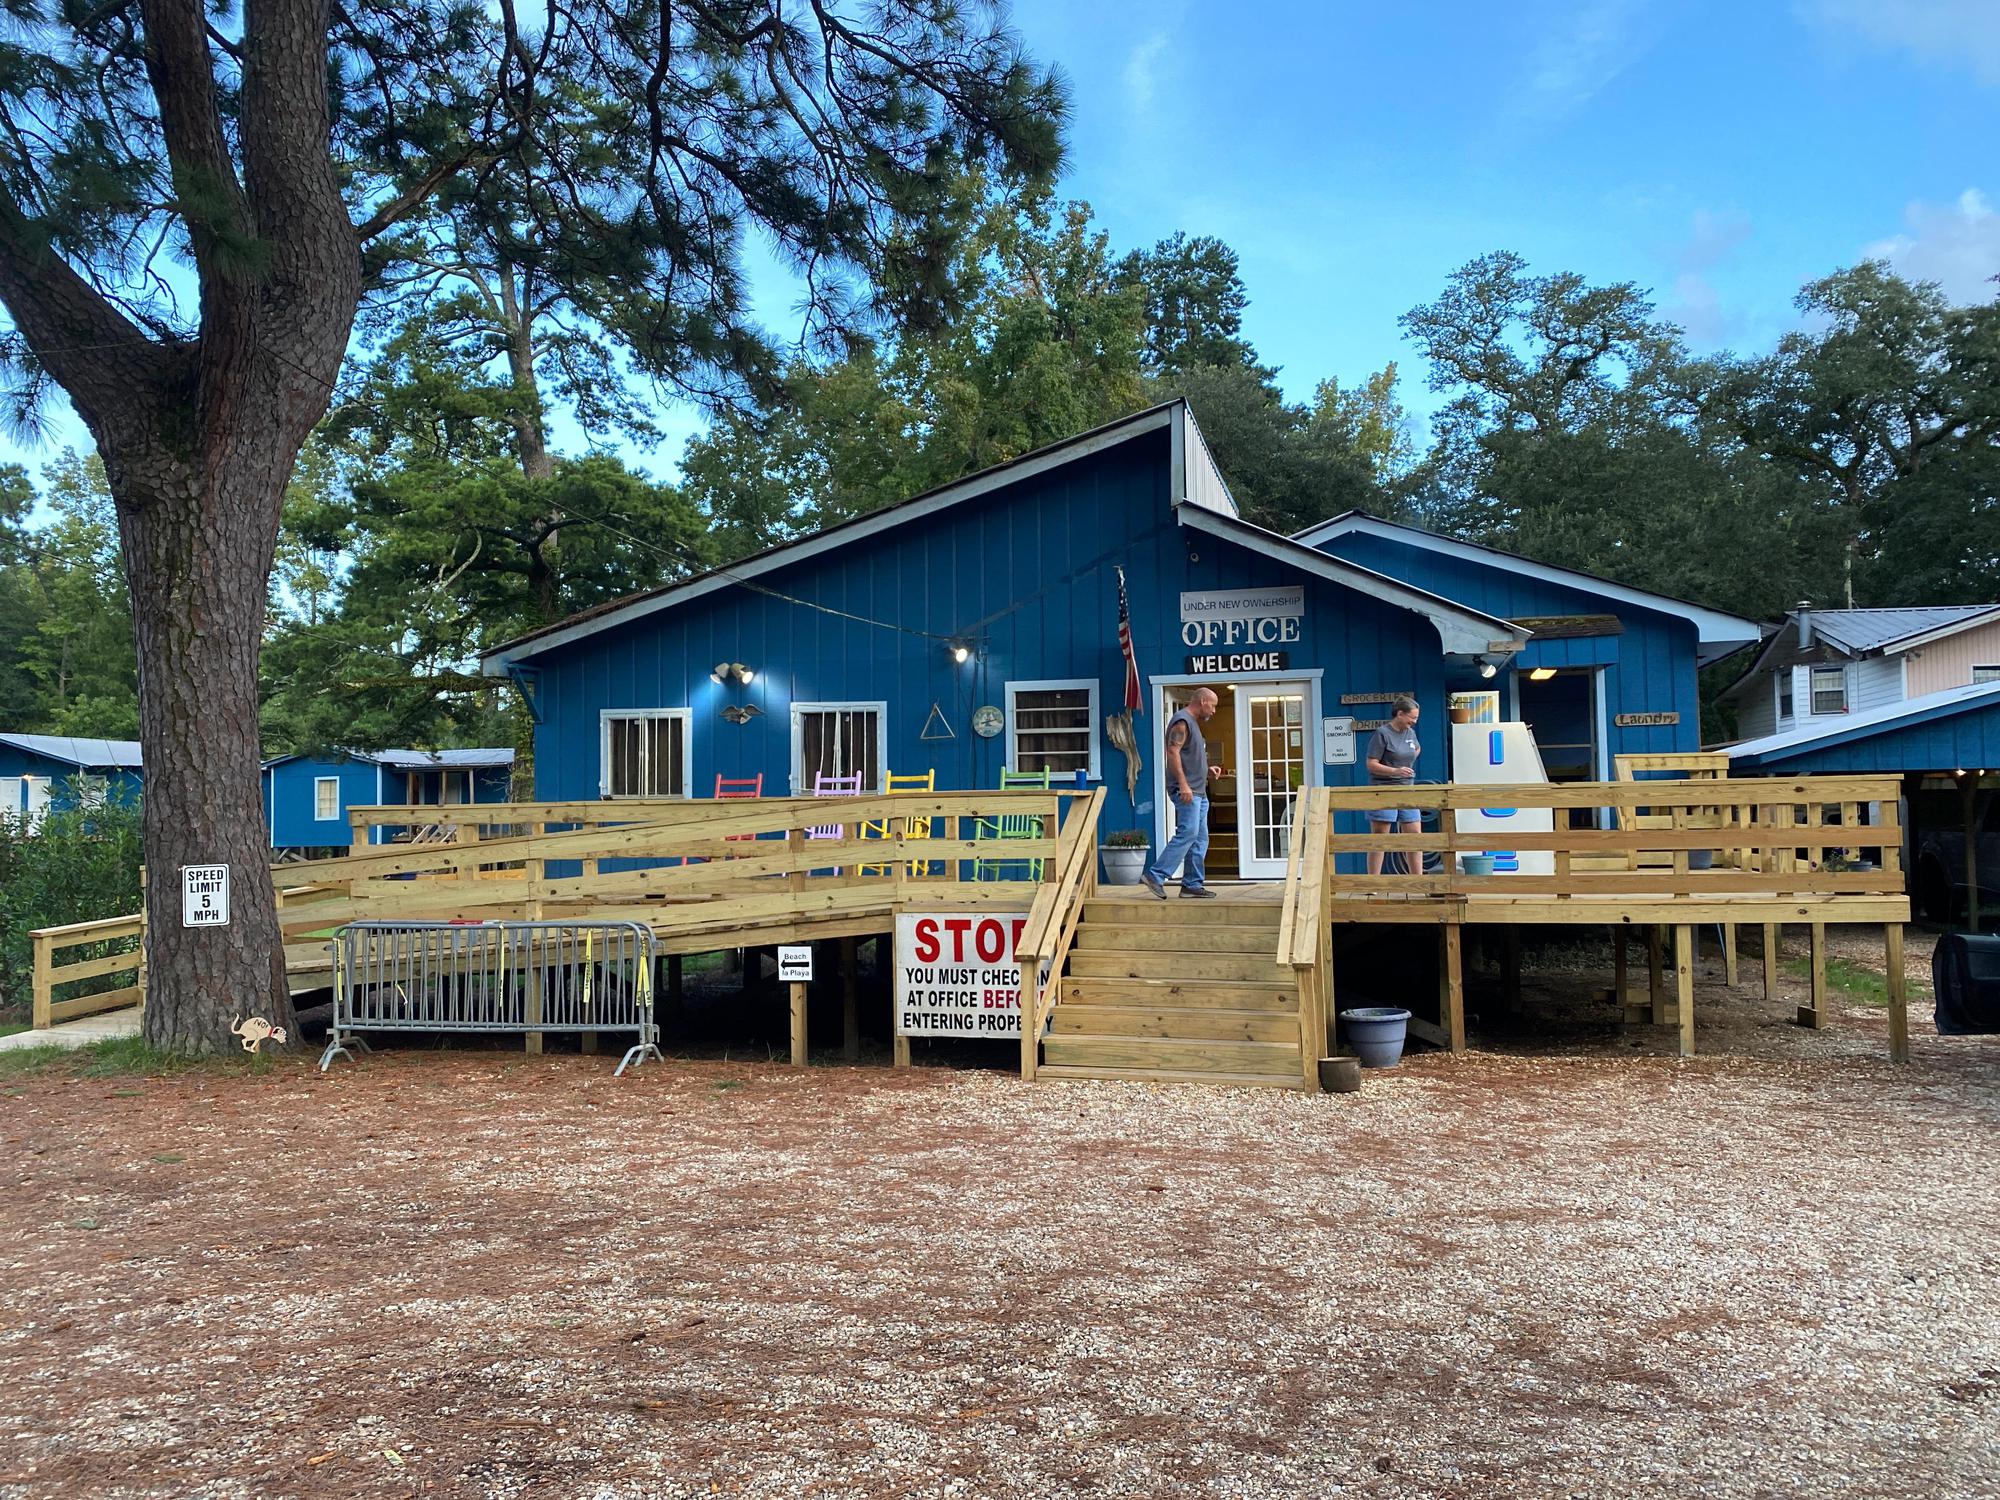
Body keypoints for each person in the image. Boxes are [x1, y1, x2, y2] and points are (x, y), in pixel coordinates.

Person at [1143, 687, 1224, 899]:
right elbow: (1173, 752)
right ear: (1204, 701)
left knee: (1200, 839)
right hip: (1188, 791)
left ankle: (1192, 884)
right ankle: (1156, 875)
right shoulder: (1182, 721)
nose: (1214, 711)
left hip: (1199, 791)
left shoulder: (1193, 724)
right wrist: (1183, 784)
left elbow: (1190, 757)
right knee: (1188, 833)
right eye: (1213, 705)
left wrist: (1208, 770)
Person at [1365, 694, 1422, 876]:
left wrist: (1410, 760)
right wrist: (1395, 771)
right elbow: (1371, 764)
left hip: (1408, 789)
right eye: (1412, 717)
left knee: (1414, 834)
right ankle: (1373, 882)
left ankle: (1417, 880)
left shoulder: (1410, 733)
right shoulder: (1382, 734)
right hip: (1384, 789)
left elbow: (1417, 748)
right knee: (1381, 835)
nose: (1414, 721)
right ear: (1400, 714)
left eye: (1416, 718)